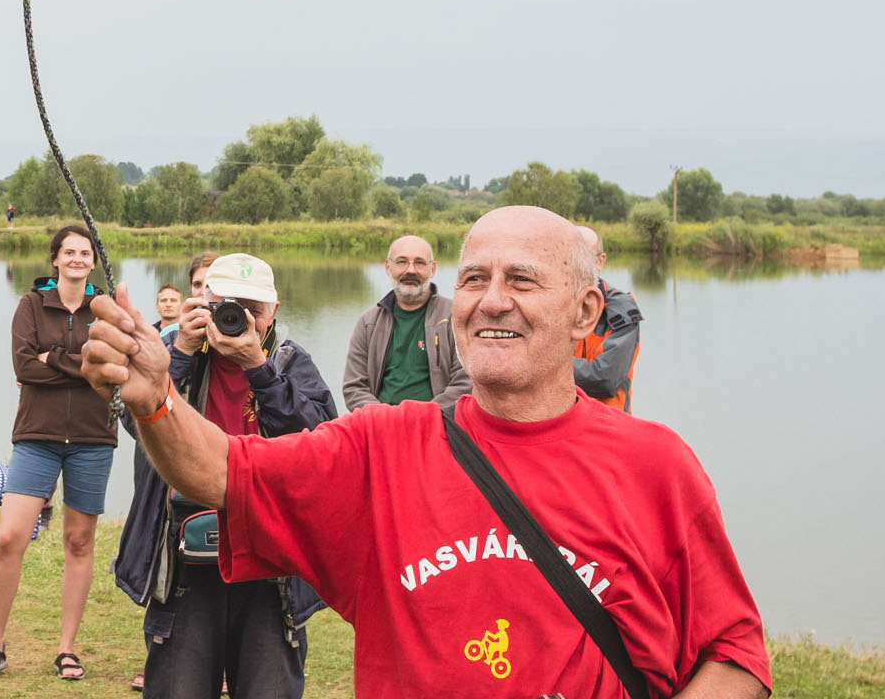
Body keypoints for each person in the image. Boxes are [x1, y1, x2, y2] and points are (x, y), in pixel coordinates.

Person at [84, 205, 771, 699]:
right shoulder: (385, 447)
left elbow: (736, 658)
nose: (492, 302)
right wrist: (155, 397)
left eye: (522, 280)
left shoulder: (656, 465)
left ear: (586, 312)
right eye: (475, 280)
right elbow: (223, 472)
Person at [115, 254, 335, 698]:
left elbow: (320, 445)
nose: (242, 320)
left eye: (254, 310)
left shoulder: (290, 362)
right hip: (184, 555)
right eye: (230, 306)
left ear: (274, 313)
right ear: (205, 303)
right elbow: (136, 423)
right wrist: (178, 357)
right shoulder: (178, 353)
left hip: (272, 561)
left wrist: (260, 368)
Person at [0, 225, 116, 682]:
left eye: (84, 252)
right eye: (68, 252)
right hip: (37, 436)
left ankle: (67, 649)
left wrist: (51, 359)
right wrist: (81, 367)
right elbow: (22, 365)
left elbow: (112, 371)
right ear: (55, 259)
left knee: (78, 541)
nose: (76, 258)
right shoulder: (31, 305)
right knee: (10, 537)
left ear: (93, 261)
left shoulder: (105, 309)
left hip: (93, 439)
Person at [343, 234, 471, 411]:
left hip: (439, 425)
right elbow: (354, 388)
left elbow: (465, 382)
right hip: (381, 426)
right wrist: (387, 420)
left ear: (432, 269)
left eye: (419, 263)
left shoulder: (454, 317)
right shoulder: (368, 323)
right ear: (388, 267)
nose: (410, 270)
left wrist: (422, 418)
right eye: (402, 262)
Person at [573, 224, 643, 413]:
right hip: (560, 428)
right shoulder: (546, 304)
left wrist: (545, 366)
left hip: (610, 427)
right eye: (569, 255)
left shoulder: (621, 309)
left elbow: (605, 379)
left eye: (584, 256)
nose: (575, 264)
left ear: (600, 261)